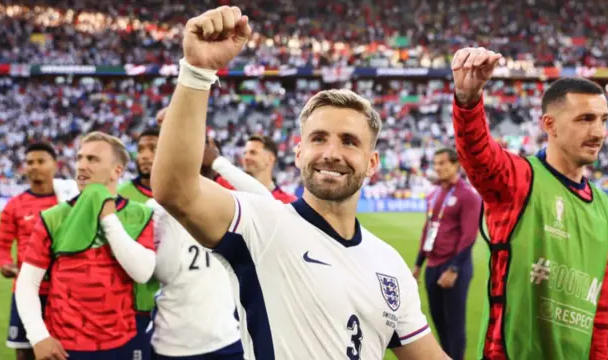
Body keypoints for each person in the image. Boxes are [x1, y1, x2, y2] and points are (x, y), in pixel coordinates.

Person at [151, 6, 448, 359]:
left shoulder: (391, 264)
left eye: (349, 141)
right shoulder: (262, 225)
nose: (332, 153)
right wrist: (197, 71)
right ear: (298, 153)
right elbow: (177, 191)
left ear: (372, 164)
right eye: (319, 138)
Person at [451, 47, 608, 360]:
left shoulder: (605, 205)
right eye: (585, 119)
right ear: (549, 125)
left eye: (603, 120)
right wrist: (468, 101)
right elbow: (478, 154)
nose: (598, 132)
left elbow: (600, 309)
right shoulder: (519, 179)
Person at [15, 131, 157, 360]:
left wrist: (108, 219)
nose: (81, 165)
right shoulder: (53, 217)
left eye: (92, 159)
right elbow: (27, 282)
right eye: (80, 158)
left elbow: (142, 273)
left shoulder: (140, 215)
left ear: (116, 171)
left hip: (124, 341)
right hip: (65, 346)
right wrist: (38, 336)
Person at [148, 107, 271, 360]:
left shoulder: (223, 202)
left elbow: (266, 202)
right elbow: (163, 272)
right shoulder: (156, 207)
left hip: (226, 338)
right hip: (173, 342)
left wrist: (217, 162)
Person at [413, 147, 481, 360]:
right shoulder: (433, 194)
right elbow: (427, 230)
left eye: (443, 163)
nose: (438, 168)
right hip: (432, 266)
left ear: (456, 165)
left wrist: (454, 269)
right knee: (438, 321)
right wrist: (417, 265)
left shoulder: (468, 196)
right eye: (436, 163)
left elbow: (469, 235)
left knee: (454, 323)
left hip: (454, 267)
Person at [0, 143, 59, 360]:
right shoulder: (14, 205)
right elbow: (2, 246)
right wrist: (5, 264)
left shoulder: (66, 203)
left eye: (41, 161)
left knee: (61, 350)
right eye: (30, 162)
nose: (34, 166)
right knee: (24, 352)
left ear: (55, 166)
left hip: (60, 293)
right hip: (25, 291)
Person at [117, 127, 162, 360]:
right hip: (136, 307)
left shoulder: (186, 192)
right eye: (141, 149)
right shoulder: (120, 195)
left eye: (153, 148)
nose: (144, 155)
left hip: (179, 306)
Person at [208, 135, 296, 203]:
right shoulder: (225, 186)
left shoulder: (288, 203)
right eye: (244, 153)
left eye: (253, 153)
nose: (246, 157)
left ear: (270, 159)